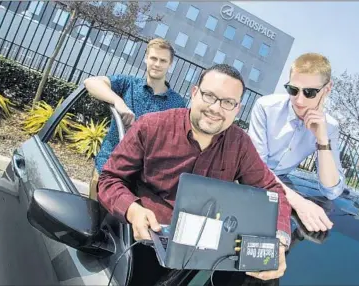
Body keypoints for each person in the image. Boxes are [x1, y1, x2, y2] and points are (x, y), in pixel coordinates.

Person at [98, 64, 292, 285]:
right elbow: (109, 179)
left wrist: (279, 241)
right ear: (194, 93)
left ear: (237, 109)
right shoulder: (151, 127)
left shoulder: (240, 145)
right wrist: (133, 210)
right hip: (141, 246)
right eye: (209, 96)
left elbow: (273, 191)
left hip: (201, 262)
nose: (216, 109)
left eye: (228, 102)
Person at [248, 53, 345, 233]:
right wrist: (299, 203)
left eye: (310, 92)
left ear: (327, 89)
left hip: (279, 192)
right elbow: (255, 170)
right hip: (247, 185)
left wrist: (322, 140)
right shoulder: (266, 107)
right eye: (293, 90)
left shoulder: (329, 127)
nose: (299, 100)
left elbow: (332, 191)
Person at [83, 38, 185, 200]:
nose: (157, 64)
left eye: (163, 60)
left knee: (121, 226)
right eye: (153, 58)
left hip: (140, 184)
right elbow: (91, 82)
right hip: (106, 169)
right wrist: (118, 101)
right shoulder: (128, 84)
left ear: (170, 65)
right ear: (146, 58)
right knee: (91, 220)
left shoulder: (178, 104)